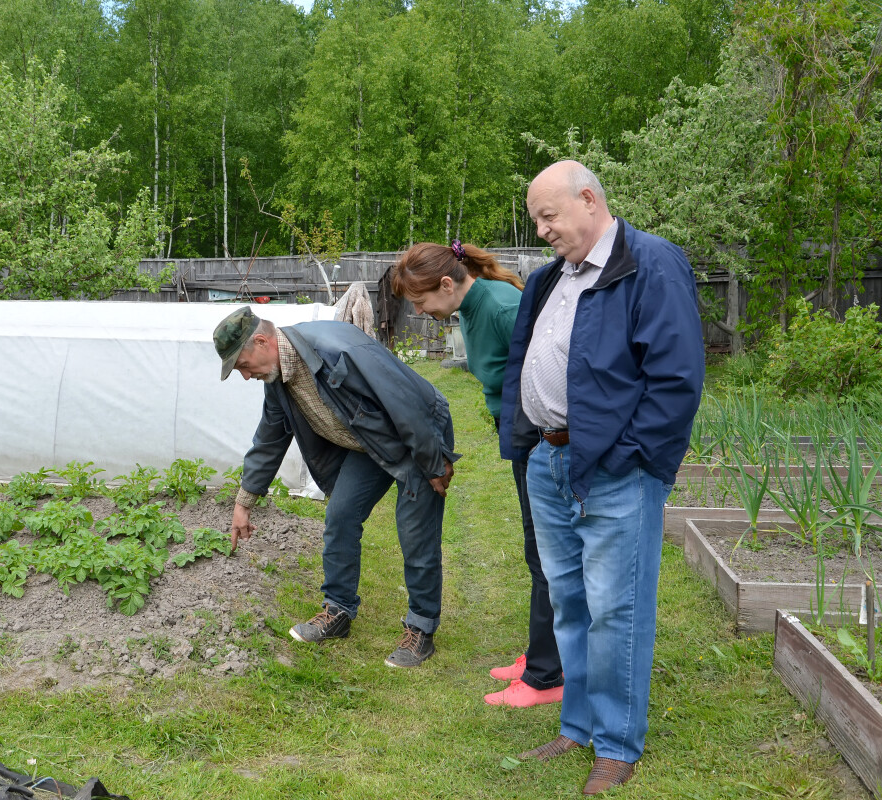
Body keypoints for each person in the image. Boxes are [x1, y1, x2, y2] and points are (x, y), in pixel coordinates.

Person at [499, 160, 704, 794]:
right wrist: (526, 440)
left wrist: (626, 457)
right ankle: (579, 724)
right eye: (537, 219)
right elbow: (521, 359)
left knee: (617, 608)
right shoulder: (549, 280)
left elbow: (676, 381)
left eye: (548, 216)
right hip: (549, 461)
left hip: (614, 470)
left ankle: (616, 744)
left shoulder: (651, 264)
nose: (541, 231)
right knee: (570, 602)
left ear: (589, 200)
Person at [213, 306, 459, 667]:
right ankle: (338, 611)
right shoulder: (279, 378)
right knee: (340, 517)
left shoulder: (334, 350)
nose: (246, 376)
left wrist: (433, 459)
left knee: (415, 533)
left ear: (263, 342)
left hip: (414, 431)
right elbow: (269, 438)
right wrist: (244, 502)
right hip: (369, 442)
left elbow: (402, 401)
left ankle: (421, 628)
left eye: (242, 365)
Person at [390, 241, 564, 708]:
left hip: (543, 439)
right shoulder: (471, 305)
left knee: (546, 553)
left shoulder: (502, 309)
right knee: (538, 551)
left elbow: (555, 380)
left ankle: (550, 676)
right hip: (522, 436)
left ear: (447, 284)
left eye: (422, 301)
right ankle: (545, 656)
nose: (422, 312)